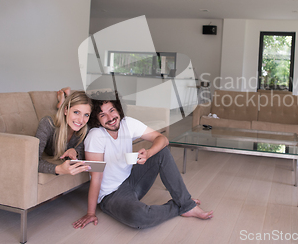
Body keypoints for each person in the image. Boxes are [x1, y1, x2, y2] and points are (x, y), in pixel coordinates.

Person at [72, 96, 213, 230]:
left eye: (112, 110)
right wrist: (91, 213)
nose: (110, 118)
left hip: (132, 179)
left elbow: (162, 139)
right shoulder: (95, 136)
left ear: (118, 109)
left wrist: (149, 153)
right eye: (102, 115)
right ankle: (183, 206)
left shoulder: (127, 123)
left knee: (161, 152)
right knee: (139, 217)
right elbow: (95, 177)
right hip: (112, 195)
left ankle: (186, 204)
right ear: (97, 119)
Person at [35, 90, 93, 175]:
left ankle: (63, 101)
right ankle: (62, 101)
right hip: (59, 120)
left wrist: (75, 152)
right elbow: (32, 161)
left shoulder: (85, 129)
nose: (81, 120)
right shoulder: (47, 124)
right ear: (66, 110)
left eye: (86, 115)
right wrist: (58, 169)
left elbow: (81, 152)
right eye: (76, 112)